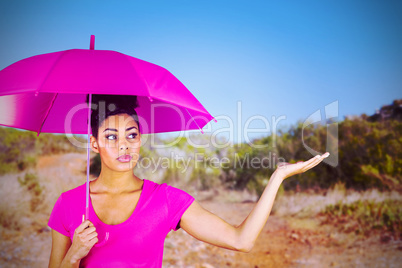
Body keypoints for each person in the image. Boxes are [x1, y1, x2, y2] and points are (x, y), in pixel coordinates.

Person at [48, 94, 329, 268]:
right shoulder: (70, 204)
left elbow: (240, 240)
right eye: (111, 137)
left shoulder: (165, 200)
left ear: (141, 139)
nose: (124, 146)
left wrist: (278, 177)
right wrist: (74, 255)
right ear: (94, 143)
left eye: (131, 135)